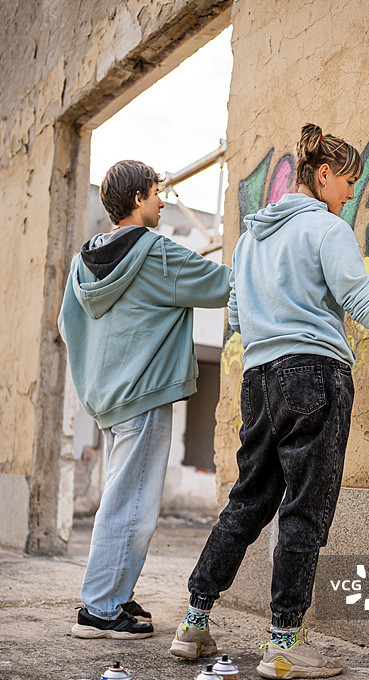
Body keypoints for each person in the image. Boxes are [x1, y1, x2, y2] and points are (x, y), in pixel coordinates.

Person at [169, 124, 369, 677]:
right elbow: (368, 311)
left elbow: (232, 319)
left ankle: (194, 622)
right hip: (314, 375)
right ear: (323, 176)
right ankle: (283, 646)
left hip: (257, 379)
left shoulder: (250, 238)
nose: (351, 193)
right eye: (347, 181)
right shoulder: (327, 230)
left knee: (247, 502)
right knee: (303, 508)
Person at [58, 160, 230, 640]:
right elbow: (222, 285)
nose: (161, 201)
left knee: (122, 498)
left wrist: (98, 376)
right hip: (145, 398)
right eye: (157, 192)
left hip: (110, 401)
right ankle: (99, 609)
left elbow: (66, 327)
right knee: (132, 506)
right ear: (137, 199)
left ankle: (114, 592)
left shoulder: (84, 260)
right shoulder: (156, 253)